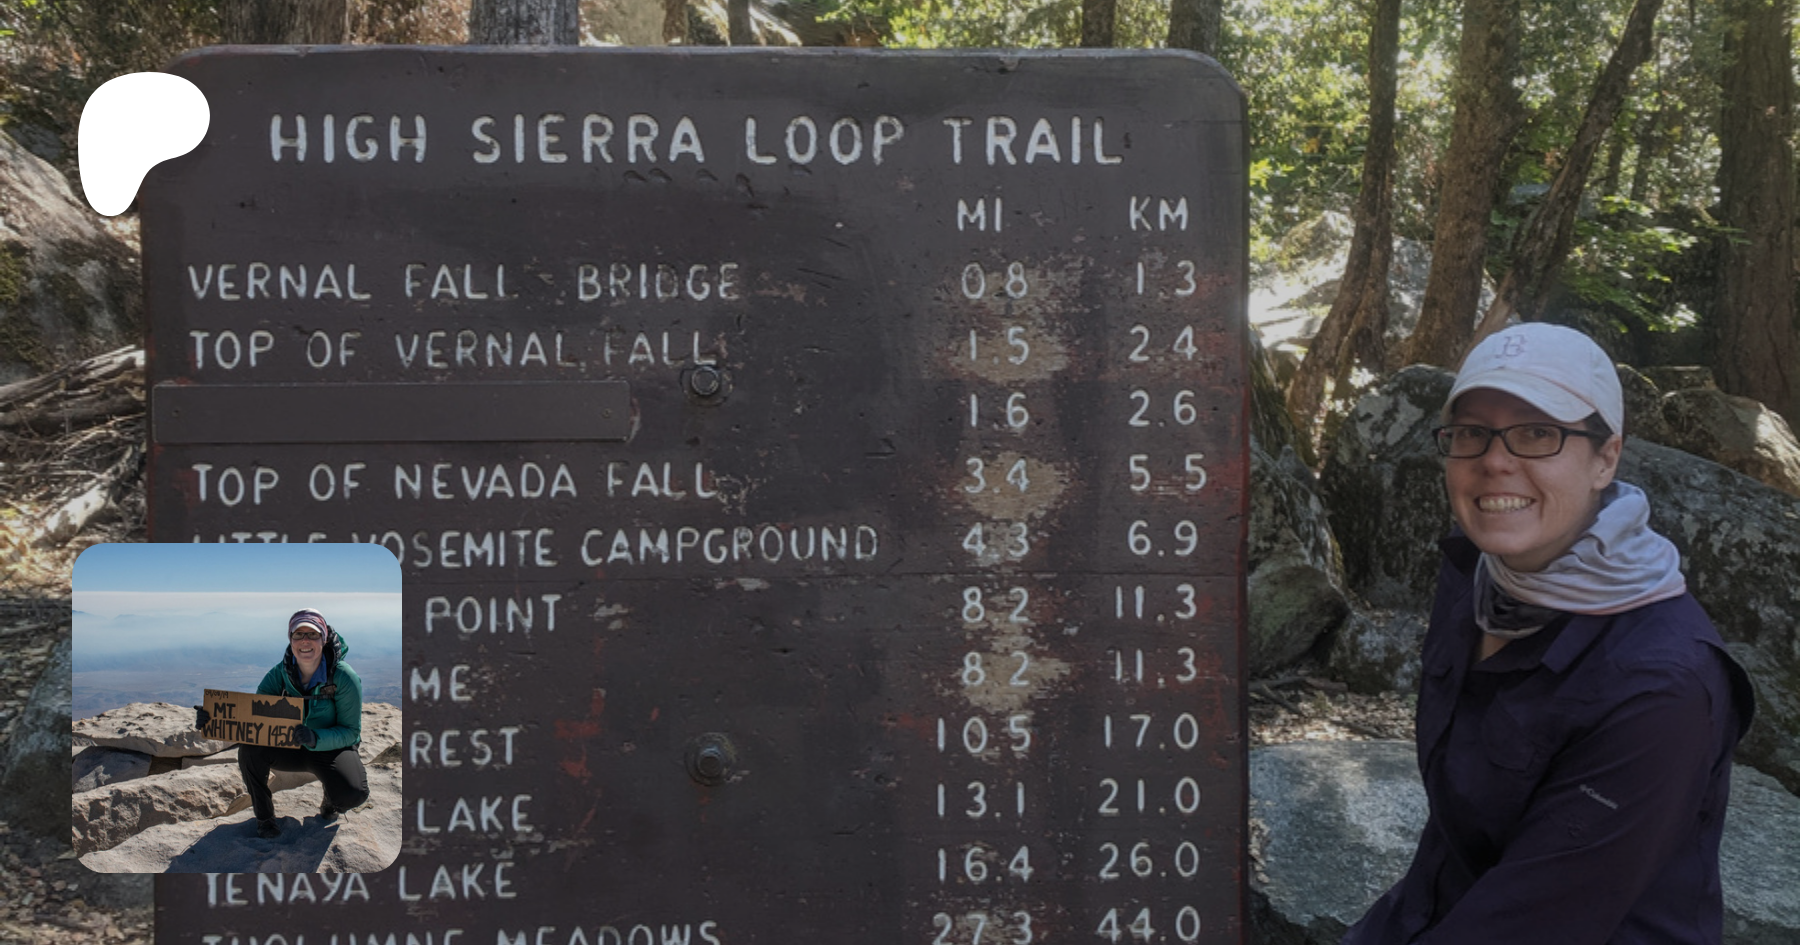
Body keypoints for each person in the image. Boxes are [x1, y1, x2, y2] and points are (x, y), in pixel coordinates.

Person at [1341, 323, 1754, 945]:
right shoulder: (1480, 576)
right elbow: (1456, 841)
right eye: (1472, 432)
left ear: (1606, 457)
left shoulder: (1661, 687)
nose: (1495, 460)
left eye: (1538, 432)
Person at [197, 608, 369, 839]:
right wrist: (212, 718)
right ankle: (265, 818)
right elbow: (253, 717)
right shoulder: (279, 674)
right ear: (290, 639)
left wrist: (316, 738)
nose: (305, 640)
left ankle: (331, 799)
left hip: (329, 749)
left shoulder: (343, 677)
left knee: (353, 793)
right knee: (250, 750)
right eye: (299, 634)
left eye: (313, 634)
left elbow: (351, 732)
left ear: (324, 638)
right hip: (290, 747)